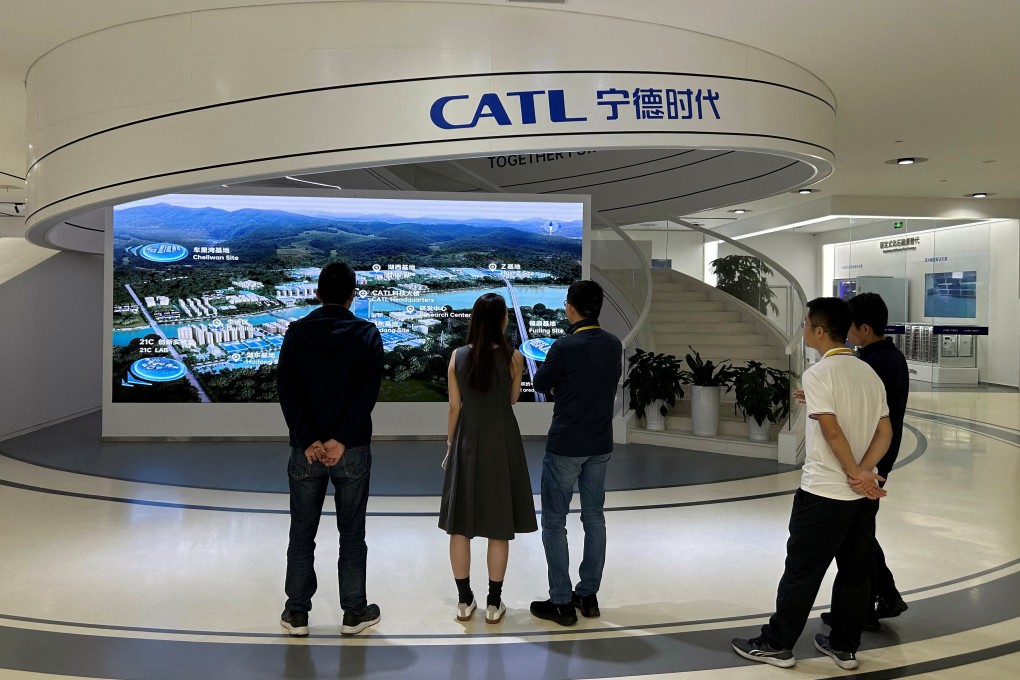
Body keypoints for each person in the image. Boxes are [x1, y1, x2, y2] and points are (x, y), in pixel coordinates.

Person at [732, 297, 892, 671]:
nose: (803, 328)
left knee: (802, 570)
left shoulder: (819, 373)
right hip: (860, 498)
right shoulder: (868, 373)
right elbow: (884, 431)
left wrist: (853, 471)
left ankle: (777, 643)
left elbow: (833, 431)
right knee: (854, 573)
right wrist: (864, 473)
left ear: (819, 331)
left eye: (805, 323)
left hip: (822, 493)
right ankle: (844, 646)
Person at [276, 261, 384, 637]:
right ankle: (354, 611)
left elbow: (286, 390)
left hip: (304, 451)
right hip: (352, 449)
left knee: (302, 531)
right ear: (352, 295)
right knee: (352, 532)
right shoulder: (367, 333)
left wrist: (309, 439)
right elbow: (367, 393)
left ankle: (297, 613)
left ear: (318, 293)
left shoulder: (296, 332)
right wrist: (341, 438)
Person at [438, 293, 537, 624]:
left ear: (475, 321)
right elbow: (511, 400)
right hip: (502, 440)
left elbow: (454, 407)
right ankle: (495, 604)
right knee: (498, 525)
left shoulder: (457, 356)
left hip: (467, 440)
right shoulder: (515, 358)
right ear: (502, 321)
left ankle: (465, 601)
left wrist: (451, 445)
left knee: (460, 525)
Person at [529, 280, 622, 627]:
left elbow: (540, 384)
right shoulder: (614, 345)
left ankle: (562, 602)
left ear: (571, 307)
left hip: (566, 444)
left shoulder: (564, 345)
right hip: (600, 443)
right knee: (594, 518)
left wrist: (559, 384)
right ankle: (589, 595)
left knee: (554, 521)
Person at [845, 292, 910, 623]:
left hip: (871, 460)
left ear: (865, 328)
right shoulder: (890, 357)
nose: (847, 332)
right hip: (878, 458)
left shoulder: (874, 364)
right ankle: (877, 598)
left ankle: (875, 599)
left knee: (857, 534)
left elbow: (868, 417)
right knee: (860, 531)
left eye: (850, 326)